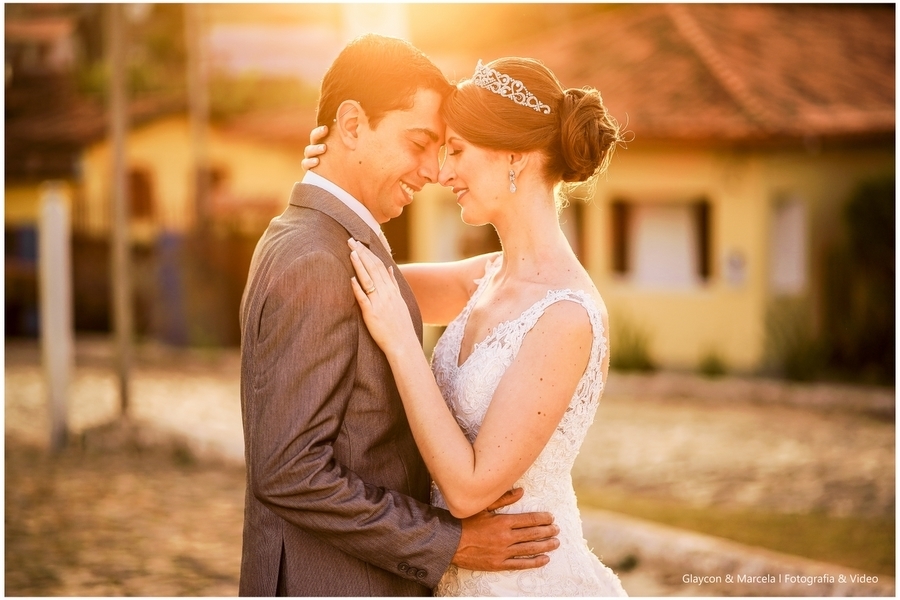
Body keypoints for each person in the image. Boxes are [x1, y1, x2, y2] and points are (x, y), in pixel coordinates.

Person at [238, 35, 561, 597]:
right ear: (353, 124)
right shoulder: (314, 258)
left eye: (446, 150)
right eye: (420, 143)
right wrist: (449, 543)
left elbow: (490, 278)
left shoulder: (329, 242)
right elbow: (288, 471)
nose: (434, 170)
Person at [306, 56, 628, 595]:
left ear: (515, 157)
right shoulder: (483, 277)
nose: (442, 172)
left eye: (455, 151)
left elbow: (469, 489)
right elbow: (345, 274)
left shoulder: (567, 316)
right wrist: (332, 178)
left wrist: (402, 344)